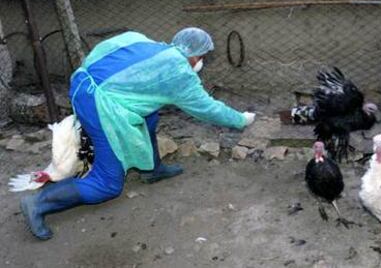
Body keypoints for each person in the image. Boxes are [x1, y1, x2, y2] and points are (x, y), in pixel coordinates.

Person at [20, 27, 256, 240]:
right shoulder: (179, 74)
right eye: (202, 57)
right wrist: (241, 120)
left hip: (83, 82)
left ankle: (152, 169)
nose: (200, 62)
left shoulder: (145, 42)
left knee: (149, 115)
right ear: (193, 54)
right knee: (108, 184)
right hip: (98, 105)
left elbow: (106, 49)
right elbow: (208, 108)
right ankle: (39, 203)